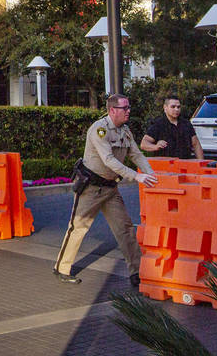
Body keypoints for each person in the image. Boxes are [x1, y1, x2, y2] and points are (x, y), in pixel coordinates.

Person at [53, 93, 158, 288]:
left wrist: (150, 174)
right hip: (91, 188)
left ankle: (136, 271)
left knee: (125, 228)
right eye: (124, 108)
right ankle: (62, 268)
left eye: (128, 107)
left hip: (110, 188)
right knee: (78, 227)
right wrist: (136, 176)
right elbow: (108, 160)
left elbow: (136, 154)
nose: (128, 111)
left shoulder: (125, 131)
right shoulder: (99, 129)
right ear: (112, 110)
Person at [140, 94, 204, 160]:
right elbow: (144, 144)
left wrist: (201, 163)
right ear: (165, 107)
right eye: (173, 107)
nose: (176, 109)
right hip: (165, 166)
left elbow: (196, 145)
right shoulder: (158, 125)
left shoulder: (186, 124)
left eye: (178, 107)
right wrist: (155, 147)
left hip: (184, 165)